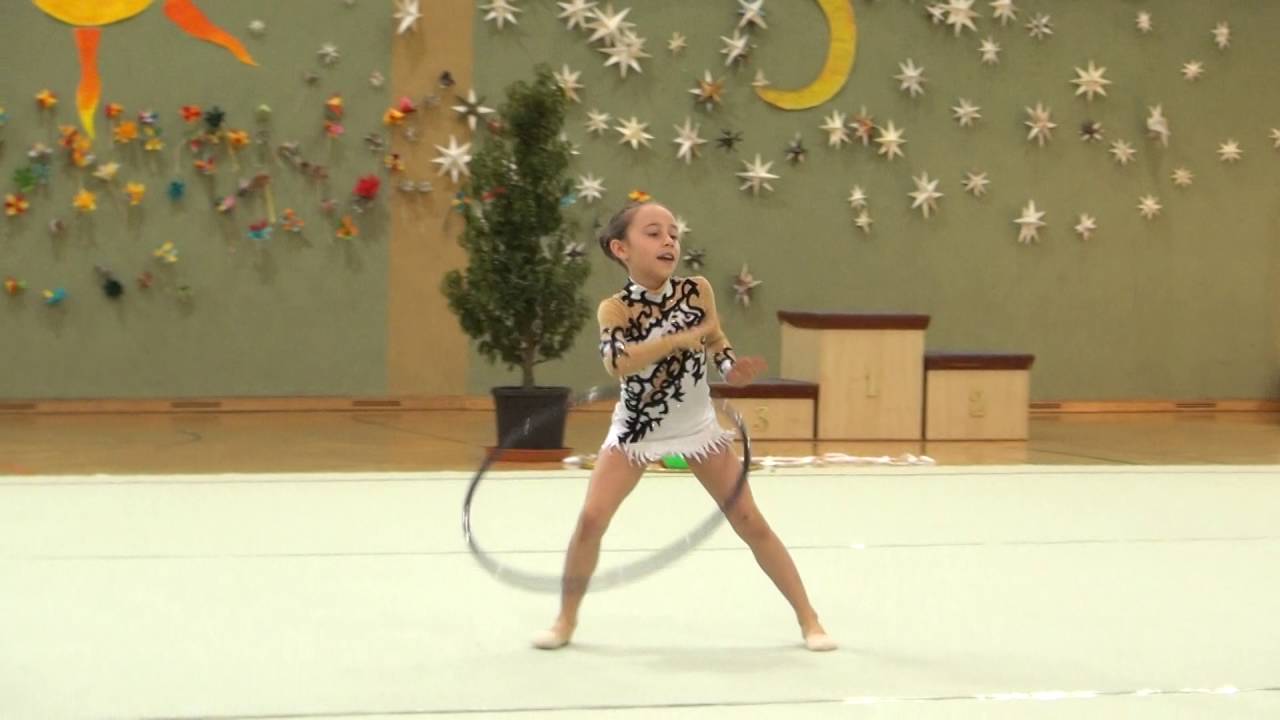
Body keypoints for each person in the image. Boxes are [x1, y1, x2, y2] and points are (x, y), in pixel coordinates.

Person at [533, 196, 836, 652]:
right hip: (636, 428)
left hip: (697, 426)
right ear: (621, 249)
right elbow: (618, 362)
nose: (668, 240)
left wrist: (732, 369)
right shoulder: (614, 309)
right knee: (591, 519)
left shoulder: (696, 290)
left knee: (750, 520)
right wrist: (676, 339)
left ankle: (810, 619)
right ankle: (565, 620)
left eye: (673, 233)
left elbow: (715, 340)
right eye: (653, 233)